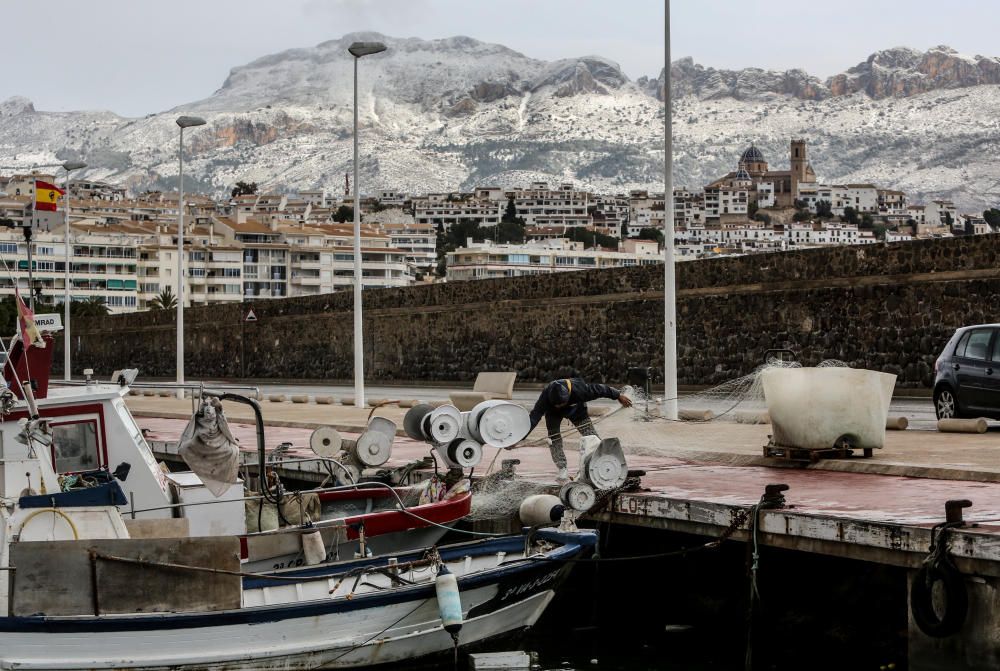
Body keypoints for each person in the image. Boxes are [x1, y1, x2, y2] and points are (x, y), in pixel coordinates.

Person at [528, 378, 632, 481]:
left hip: (577, 411)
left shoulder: (579, 389)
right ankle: (562, 468)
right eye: (557, 405)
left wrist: (618, 395)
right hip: (553, 414)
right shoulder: (545, 397)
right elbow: (534, 417)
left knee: (592, 437)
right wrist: (520, 436)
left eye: (561, 404)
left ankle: (601, 462)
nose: (560, 406)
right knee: (553, 439)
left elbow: (601, 389)